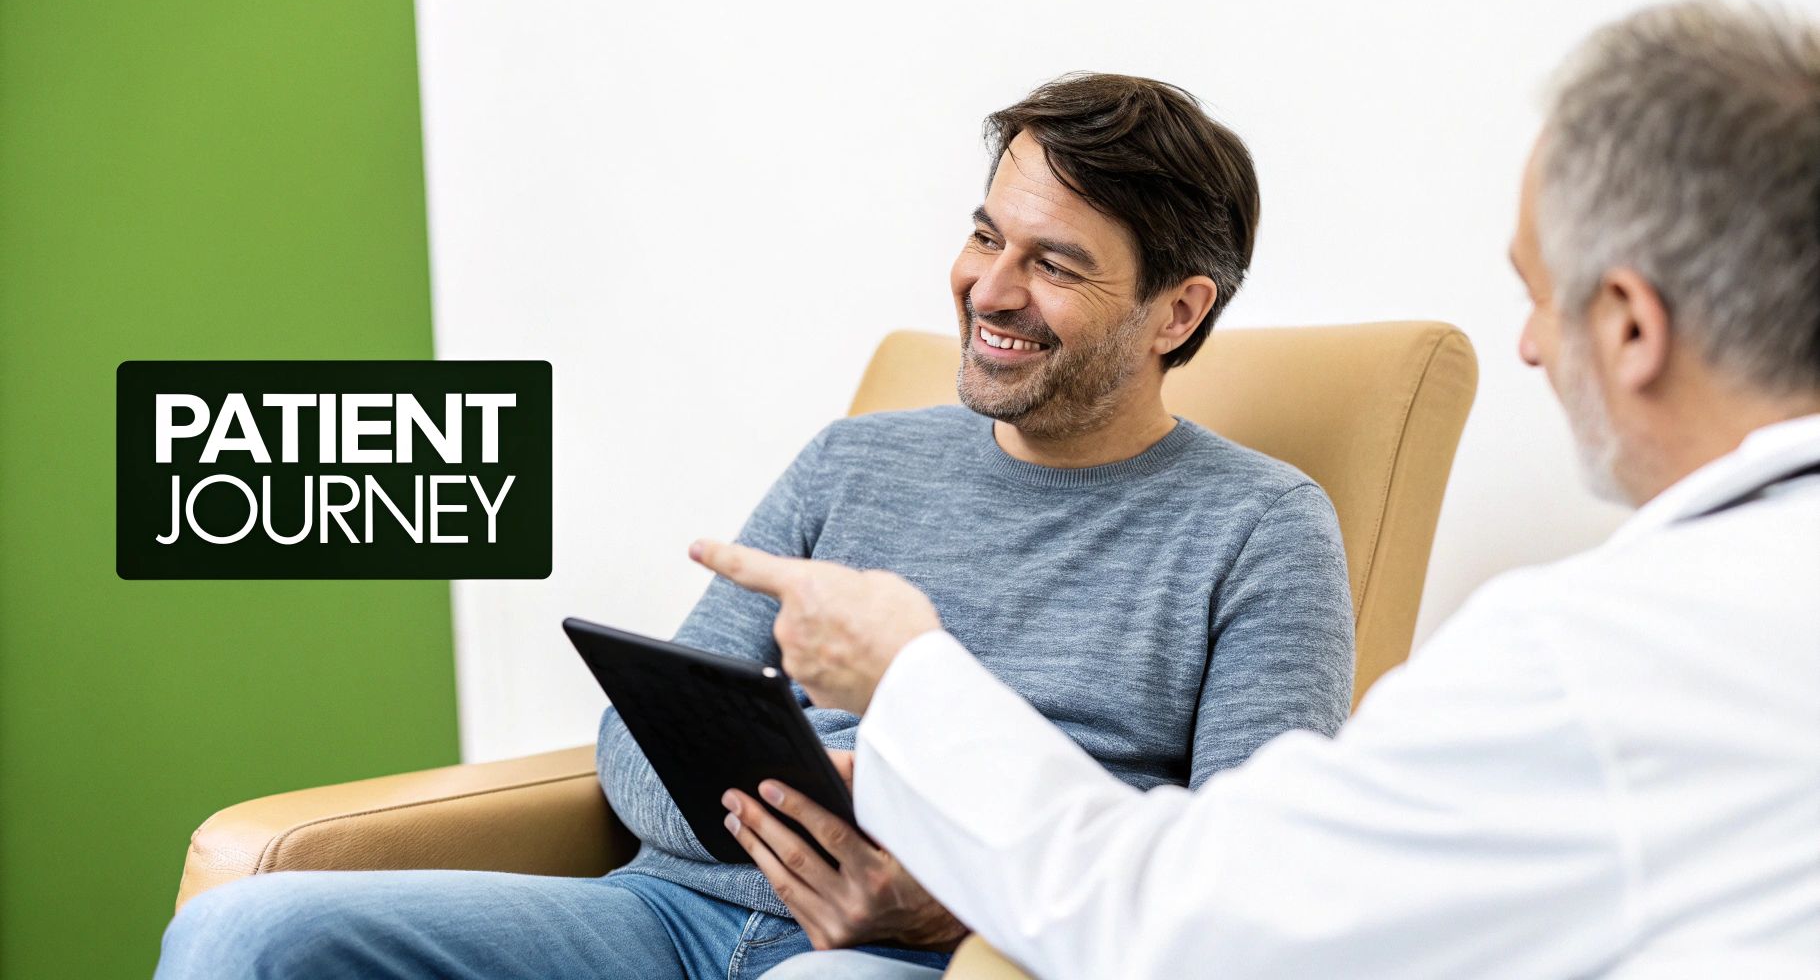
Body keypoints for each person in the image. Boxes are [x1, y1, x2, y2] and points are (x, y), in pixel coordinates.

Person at [708, 0, 1820, 979]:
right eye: (988, 238)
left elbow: (1199, 935)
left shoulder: (1587, 663)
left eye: (1539, 296)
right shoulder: (853, 456)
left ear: (1628, 326)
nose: (1529, 346)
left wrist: (907, 674)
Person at [155, 74, 1358, 980]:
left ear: (1175, 310)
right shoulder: (857, 457)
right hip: (663, 920)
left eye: (1053, 263)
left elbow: (1240, 878)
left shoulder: (1259, 526)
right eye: (987, 234)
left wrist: (951, 891)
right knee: (246, 934)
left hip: (940, 958)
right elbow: (634, 742)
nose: (988, 288)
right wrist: (789, 803)